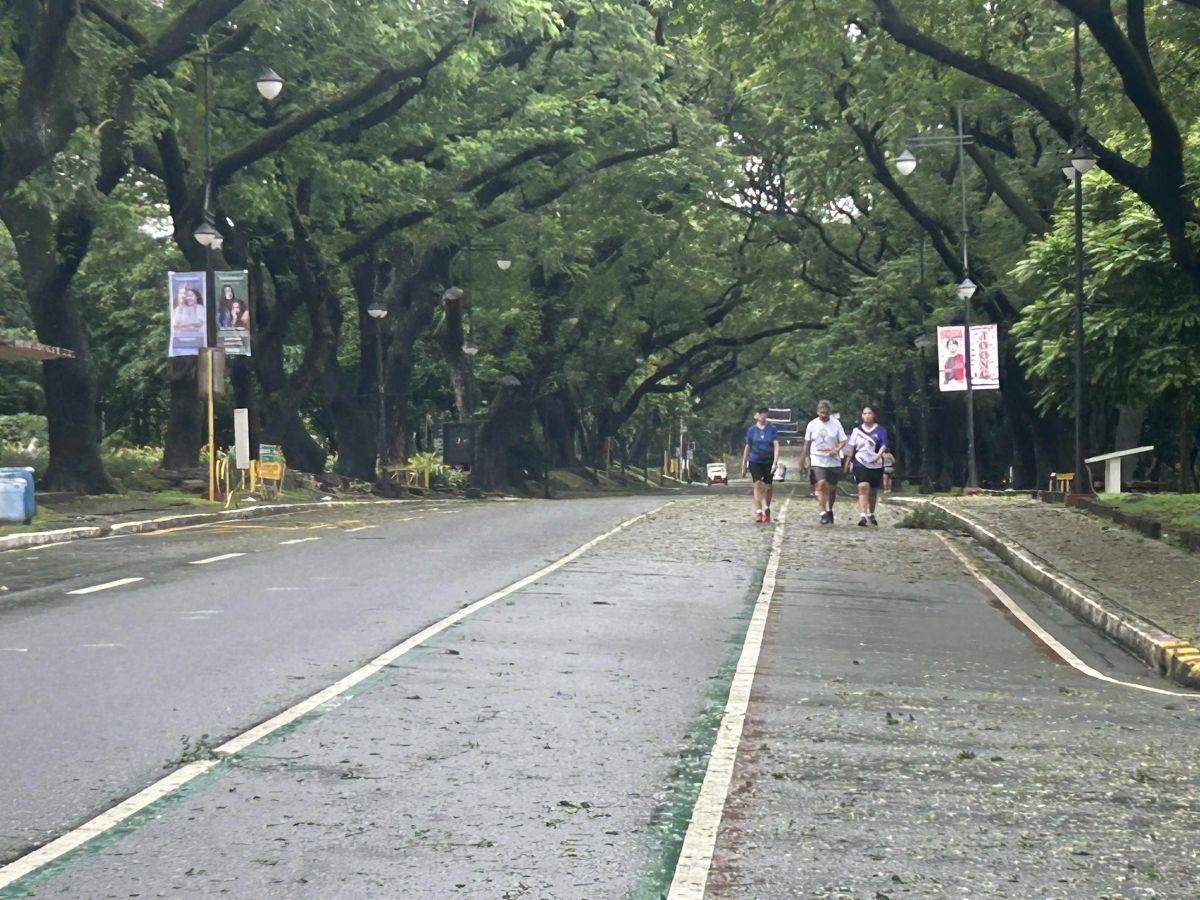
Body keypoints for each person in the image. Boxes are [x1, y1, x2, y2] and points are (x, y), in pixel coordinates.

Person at [801, 400, 847, 525]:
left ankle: (829, 509)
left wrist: (836, 449)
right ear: (817, 412)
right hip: (817, 458)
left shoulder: (836, 424)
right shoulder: (812, 424)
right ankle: (822, 512)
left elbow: (843, 441)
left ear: (829, 413)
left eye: (826, 413)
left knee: (832, 488)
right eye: (821, 413)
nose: (824, 415)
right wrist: (803, 459)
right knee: (820, 484)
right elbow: (807, 443)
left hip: (832, 460)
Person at [844, 406, 888, 526]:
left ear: (873, 415)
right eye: (864, 413)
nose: (867, 416)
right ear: (862, 416)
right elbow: (852, 448)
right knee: (863, 486)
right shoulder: (856, 431)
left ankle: (871, 512)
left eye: (869, 413)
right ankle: (862, 515)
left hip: (876, 464)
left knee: (873, 491)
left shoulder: (881, 430)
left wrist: (878, 456)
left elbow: (884, 445)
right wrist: (848, 462)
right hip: (860, 461)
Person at [740, 406, 780, 524]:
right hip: (755, 459)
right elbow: (748, 446)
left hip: (768, 460)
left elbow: (776, 445)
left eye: (765, 414)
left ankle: (766, 508)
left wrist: (775, 462)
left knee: (768, 487)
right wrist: (744, 463)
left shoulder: (772, 429)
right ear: (756, 416)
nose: (763, 416)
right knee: (757, 484)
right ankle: (758, 511)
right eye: (760, 413)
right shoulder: (752, 430)